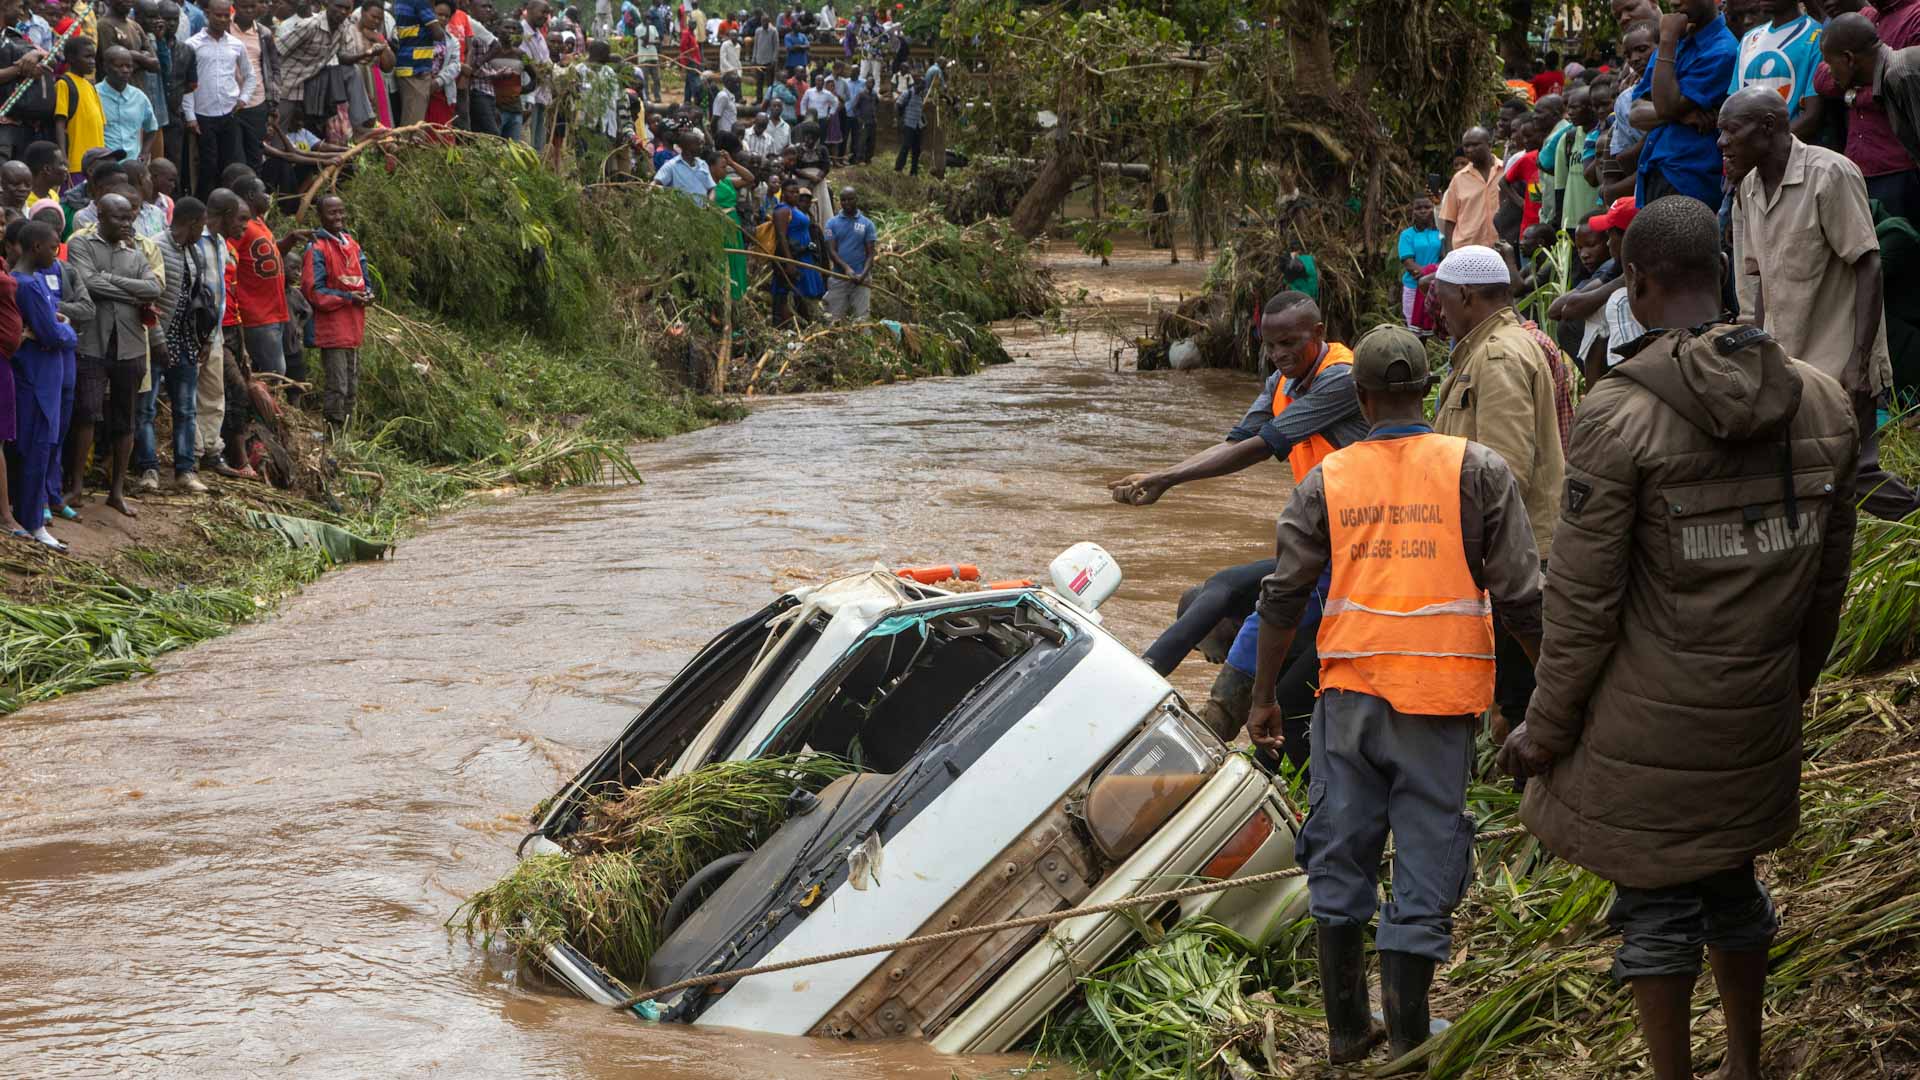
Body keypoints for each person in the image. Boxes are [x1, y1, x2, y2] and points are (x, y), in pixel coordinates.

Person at [1500, 194, 1858, 1080]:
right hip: (1758, 713)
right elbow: (1827, 587)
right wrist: (1785, 687)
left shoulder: (1618, 415)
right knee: (1733, 884)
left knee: (1656, 910)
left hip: (1646, 727)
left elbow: (1581, 605)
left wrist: (1544, 728)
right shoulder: (1823, 402)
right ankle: (1744, 1065)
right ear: (1723, 272)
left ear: (1636, 284)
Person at [1248, 324, 1542, 1067]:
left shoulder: (1329, 479)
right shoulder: (1478, 469)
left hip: (1349, 700)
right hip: (1439, 703)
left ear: (1361, 396)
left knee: (1339, 853)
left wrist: (1262, 698)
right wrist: (1551, 696)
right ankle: (1409, 1037)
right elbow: (1523, 600)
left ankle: (1348, 1031)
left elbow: (1281, 596)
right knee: (1426, 857)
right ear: (1429, 391)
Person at [1113, 292, 1364, 755]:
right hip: (1320, 541)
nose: (1279, 354)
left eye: (1290, 343)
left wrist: (1168, 479)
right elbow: (1234, 442)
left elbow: (1262, 445)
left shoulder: (1341, 380)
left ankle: (1216, 728)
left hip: (1360, 548)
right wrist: (1160, 475)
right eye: (1271, 345)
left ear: (1318, 334)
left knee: (1270, 611)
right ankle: (1140, 683)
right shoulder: (1281, 381)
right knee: (1216, 591)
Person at [1720, 84, 1915, 521]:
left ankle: (1911, 520)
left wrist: (1858, 364)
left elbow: (1868, 266)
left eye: (1731, 130)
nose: (1722, 143)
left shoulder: (1830, 174)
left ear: (1767, 127)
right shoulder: (1748, 189)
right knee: (1806, 475)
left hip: (1839, 364)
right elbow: (1759, 283)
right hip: (1788, 366)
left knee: (1856, 473)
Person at [1428, 245, 1564, 741]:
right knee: (1514, 696)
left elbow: (1505, 474)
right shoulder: (1493, 348)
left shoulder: (1498, 355)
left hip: (1516, 558)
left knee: (1521, 700)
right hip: (1510, 553)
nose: (1440, 313)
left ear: (1466, 296)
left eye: (1443, 301)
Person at [66, 191, 161, 518]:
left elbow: (154, 289)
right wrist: (131, 293)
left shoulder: (136, 253)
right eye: (119, 217)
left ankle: (116, 492)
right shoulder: (81, 244)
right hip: (91, 343)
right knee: (86, 414)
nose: (127, 223)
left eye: (129, 217)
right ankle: (76, 487)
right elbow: (87, 284)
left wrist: (108, 280)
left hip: (130, 345)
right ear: (101, 217)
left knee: (125, 418)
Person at [1628, 0, 1738, 207]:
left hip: (1690, 177)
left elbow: (1665, 107)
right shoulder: (1678, 41)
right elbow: (1635, 113)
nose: (1674, 2)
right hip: (1654, 170)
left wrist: (1667, 41)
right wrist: (1681, 115)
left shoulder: (1722, 50)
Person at [9, 219, 76, 549]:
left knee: (38, 447)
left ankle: (29, 516)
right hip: (36, 378)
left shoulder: (30, 280)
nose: (56, 253)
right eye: (52, 247)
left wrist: (57, 325)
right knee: (36, 448)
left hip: (43, 375)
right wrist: (68, 330)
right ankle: (33, 521)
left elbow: (49, 326)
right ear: (36, 247)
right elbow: (53, 334)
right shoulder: (28, 286)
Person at [133, 194, 207, 493]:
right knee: (146, 409)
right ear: (191, 223)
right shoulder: (155, 247)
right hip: (156, 341)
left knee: (186, 409)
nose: (203, 231)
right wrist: (158, 339)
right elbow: (145, 300)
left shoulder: (193, 252)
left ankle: (185, 470)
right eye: (201, 225)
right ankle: (148, 469)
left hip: (185, 341)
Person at [1820, 12, 1920, 219]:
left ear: (1849, 58)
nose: (1829, 72)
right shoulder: (1890, 76)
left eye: (1830, 63)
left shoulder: (1899, 75)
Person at [302, 193, 368, 429]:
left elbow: (364, 278)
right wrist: (349, 297)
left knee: (351, 387)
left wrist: (368, 293)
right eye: (332, 213)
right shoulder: (317, 248)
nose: (338, 217)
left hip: (353, 327)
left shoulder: (351, 244)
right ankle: (332, 436)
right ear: (320, 216)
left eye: (341, 211)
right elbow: (314, 292)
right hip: (332, 329)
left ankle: (346, 437)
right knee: (337, 386)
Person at [184, 0, 256, 197]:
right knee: (207, 165)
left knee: (229, 164)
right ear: (207, 14)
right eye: (218, 15)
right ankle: (205, 205)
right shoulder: (192, 45)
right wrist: (190, 116)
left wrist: (243, 99)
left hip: (229, 113)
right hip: (203, 114)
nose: (223, 19)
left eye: (226, 16)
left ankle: (228, 203)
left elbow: (250, 75)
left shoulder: (236, 44)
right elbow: (187, 83)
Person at [1731, 0, 1828, 142]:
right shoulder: (1749, 39)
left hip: (1794, 149)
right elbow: (1735, 104)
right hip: (1749, 150)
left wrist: (1767, 146)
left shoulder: (1817, 37)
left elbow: (1813, 116)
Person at [195, 187, 239, 475]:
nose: (240, 223)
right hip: (195, 331)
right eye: (237, 217)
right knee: (190, 394)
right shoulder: (195, 240)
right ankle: (193, 453)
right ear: (226, 214)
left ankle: (212, 449)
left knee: (214, 391)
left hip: (215, 330)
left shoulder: (221, 242)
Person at [1438, 126, 1502, 252]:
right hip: (1467, 251)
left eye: (1475, 145)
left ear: (1489, 145)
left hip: (1500, 249)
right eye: (1466, 146)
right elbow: (1450, 220)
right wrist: (1450, 254)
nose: (1469, 150)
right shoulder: (1458, 179)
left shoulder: (1505, 171)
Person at [768, 175, 822, 325]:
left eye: (797, 192)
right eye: (791, 192)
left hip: (803, 253)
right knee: (787, 290)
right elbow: (781, 236)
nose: (795, 195)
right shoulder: (783, 210)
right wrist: (789, 261)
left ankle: (803, 322)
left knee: (801, 291)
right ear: (783, 193)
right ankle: (785, 323)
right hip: (792, 256)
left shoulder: (794, 208)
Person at [228, 0, 274, 171]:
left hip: (256, 101)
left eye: (252, 6)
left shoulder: (264, 33)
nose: (248, 10)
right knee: (235, 156)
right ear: (235, 6)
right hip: (230, 103)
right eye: (244, 6)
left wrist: (273, 102)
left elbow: (274, 67)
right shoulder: (224, 28)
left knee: (255, 154)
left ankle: (256, 186)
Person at [53, 38, 107, 181]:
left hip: (97, 164)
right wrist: (62, 155)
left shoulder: (91, 87)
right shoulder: (64, 84)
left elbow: (101, 125)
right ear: (71, 58)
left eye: (93, 57)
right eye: (87, 57)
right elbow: (60, 122)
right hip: (76, 163)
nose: (92, 62)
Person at [96, 45, 161, 160]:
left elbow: (152, 128)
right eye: (119, 66)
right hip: (104, 165)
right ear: (106, 67)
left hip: (132, 163)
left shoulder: (139, 98)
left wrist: (145, 152)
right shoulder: (94, 95)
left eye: (129, 66)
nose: (125, 70)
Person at [822, 183, 871, 320]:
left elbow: (870, 254)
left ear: (856, 199)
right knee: (832, 318)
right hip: (838, 277)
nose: (847, 203)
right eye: (843, 200)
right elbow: (831, 251)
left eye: (850, 199)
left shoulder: (867, 224)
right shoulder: (831, 224)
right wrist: (846, 269)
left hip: (862, 280)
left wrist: (863, 275)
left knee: (862, 320)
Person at [1396, 196, 1442, 327]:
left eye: (1427, 207)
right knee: (1413, 328)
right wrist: (1428, 275)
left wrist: (1430, 277)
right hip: (1413, 286)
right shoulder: (1407, 235)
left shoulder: (1440, 233)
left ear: (1433, 209)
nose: (1423, 211)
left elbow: (1444, 257)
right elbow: (1408, 263)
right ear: (1413, 211)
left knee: (1433, 325)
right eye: (1418, 208)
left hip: (1435, 286)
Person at [652, 130, 714, 204]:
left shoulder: (703, 164)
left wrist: (709, 204)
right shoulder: (671, 166)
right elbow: (655, 183)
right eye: (698, 144)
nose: (701, 147)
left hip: (704, 210)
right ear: (687, 148)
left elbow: (712, 189)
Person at [893, 69, 923, 174]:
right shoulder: (908, 93)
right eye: (922, 86)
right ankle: (898, 168)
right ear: (917, 85)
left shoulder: (920, 96)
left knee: (917, 149)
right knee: (906, 146)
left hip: (917, 125)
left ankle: (913, 171)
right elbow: (897, 105)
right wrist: (898, 120)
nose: (923, 88)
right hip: (908, 124)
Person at [710, 69, 737, 137]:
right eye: (735, 83)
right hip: (724, 135)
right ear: (728, 83)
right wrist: (715, 137)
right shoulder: (723, 96)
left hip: (730, 134)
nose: (738, 85)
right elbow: (714, 119)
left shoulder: (731, 96)